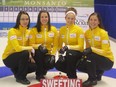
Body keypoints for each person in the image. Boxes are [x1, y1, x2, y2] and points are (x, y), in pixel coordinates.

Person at [77, 12, 114, 86]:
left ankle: (92, 79)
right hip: (95, 58)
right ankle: (98, 73)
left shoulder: (103, 33)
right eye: (91, 19)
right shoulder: (87, 33)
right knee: (80, 64)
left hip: (107, 60)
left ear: (99, 22)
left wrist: (92, 49)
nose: (93, 22)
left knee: (91, 56)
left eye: (95, 20)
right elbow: (87, 48)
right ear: (88, 21)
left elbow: (105, 52)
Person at [2, 11, 36, 85]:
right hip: (8, 58)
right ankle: (21, 77)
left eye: (27, 19)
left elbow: (28, 46)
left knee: (35, 65)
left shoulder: (28, 32)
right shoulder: (12, 31)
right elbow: (17, 48)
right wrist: (30, 48)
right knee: (24, 53)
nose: (25, 21)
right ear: (18, 20)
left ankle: (16, 70)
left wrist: (31, 57)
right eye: (22, 19)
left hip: (20, 57)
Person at [29, 10, 58, 81]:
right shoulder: (34, 30)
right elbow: (31, 44)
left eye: (46, 17)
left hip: (47, 53)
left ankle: (43, 70)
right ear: (39, 18)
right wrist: (39, 46)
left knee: (51, 63)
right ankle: (39, 74)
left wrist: (53, 55)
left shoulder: (53, 29)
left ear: (48, 18)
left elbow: (56, 45)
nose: (44, 19)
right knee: (39, 52)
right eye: (42, 17)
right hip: (37, 53)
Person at [55, 7, 84, 79]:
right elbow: (59, 45)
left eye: (72, 18)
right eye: (68, 18)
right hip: (69, 54)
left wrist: (68, 47)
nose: (70, 20)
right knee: (58, 65)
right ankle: (72, 71)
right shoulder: (62, 29)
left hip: (78, 53)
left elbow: (81, 47)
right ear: (65, 18)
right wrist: (60, 55)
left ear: (75, 19)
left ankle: (72, 77)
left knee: (70, 53)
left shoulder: (79, 30)